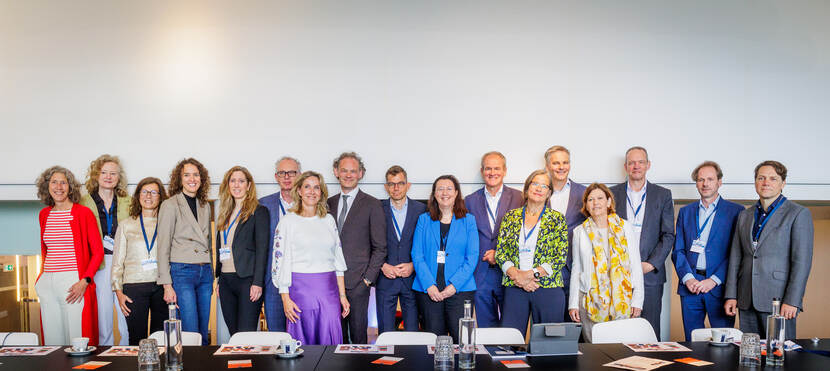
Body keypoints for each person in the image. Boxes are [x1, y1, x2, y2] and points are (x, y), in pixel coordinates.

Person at [724, 161, 813, 339]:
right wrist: (731, 295)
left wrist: (792, 301)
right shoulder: (745, 215)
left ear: (783, 183)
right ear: (755, 182)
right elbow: (735, 258)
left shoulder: (797, 214)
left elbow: (801, 263)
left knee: (779, 357)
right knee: (750, 357)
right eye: (761, 178)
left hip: (779, 301)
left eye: (773, 178)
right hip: (746, 298)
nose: (766, 182)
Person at [273, 171, 350, 345]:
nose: (312, 191)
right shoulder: (287, 222)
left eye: (317, 187)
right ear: (299, 190)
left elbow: (338, 261)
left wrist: (342, 295)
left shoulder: (329, 220)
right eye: (307, 187)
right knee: (303, 342)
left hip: (329, 291)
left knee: (330, 337)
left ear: (321, 192)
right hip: (300, 291)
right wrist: (285, 298)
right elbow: (279, 263)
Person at [671, 161, 743, 341]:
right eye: (701, 180)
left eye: (710, 179)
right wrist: (688, 279)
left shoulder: (736, 212)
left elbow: (736, 254)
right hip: (690, 287)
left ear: (719, 182)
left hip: (719, 288)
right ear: (696, 183)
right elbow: (678, 250)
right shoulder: (686, 212)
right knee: (692, 341)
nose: (705, 184)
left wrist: (713, 280)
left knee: (724, 344)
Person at [35, 166, 104, 345]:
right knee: (52, 340)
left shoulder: (83, 213)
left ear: (70, 187)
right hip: (48, 281)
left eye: (63, 182)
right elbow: (47, 250)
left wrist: (84, 281)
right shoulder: (44, 214)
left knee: (77, 339)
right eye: (54, 182)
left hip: (73, 281)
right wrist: (41, 280)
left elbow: (98, 252)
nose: (59, 187)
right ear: (47, 186)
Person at [610, 146, 674, 338]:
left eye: (641, 162)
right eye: (632, 162)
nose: (636, 166)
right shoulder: (612, 194)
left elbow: (668, 234)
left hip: (650, 275)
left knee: (649, 329)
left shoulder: (662, 194)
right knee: (619, 330)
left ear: (648, 165)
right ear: (625, 166)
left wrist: (650, 264)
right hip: (618, 273)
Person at [569, 183, 644, 342]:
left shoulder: (625, 227)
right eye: (590, 199)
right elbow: (577, 269)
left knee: (621, 349)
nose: (595, 203)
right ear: (586, 206)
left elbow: (636, 265)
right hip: (590, 301)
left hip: (622, 299)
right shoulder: (579, 232)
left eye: (600, 198)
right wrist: (573, 304)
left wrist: (638, 299)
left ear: (609, 202)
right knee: (594, 350)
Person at [496, 170, 568, 333]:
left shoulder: (557, 219)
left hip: (548, 287)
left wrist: (529, 275)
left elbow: (559, 257)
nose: (539, 188)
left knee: (550, 343)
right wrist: (517, 276)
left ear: (549, 193)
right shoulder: (510, 217)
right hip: (514, 286)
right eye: (535, 183)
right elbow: (501, 253)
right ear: (527, 188)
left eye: (544, 186)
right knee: (510, 341)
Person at [326, 152, 386, 344]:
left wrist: (367, 280)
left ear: (360, 173)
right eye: (344, 170)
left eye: (353, 171)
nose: (348, 175)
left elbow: (380, 248)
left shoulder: (372, 204)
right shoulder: (327, 203)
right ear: (336, 172)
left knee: (359, 338)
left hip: (358, 284)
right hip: (329, 283)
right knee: (336, 337)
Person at [412, 175, 478, 342]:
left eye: (449, 188)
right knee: (434, 342)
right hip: (429, 292)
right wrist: (429, 285)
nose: (444, 192)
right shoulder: (424, 220)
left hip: (460, 290)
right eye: (440, 189)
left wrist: (454, 285)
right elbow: (417, 255)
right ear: (434, 194)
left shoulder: (469, 221)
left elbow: (472, 257)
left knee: (462, 341)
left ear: (456, 193)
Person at [156, 158, 213, 345]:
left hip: (205, 273)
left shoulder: (205, 205)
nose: (192, 179)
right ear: (179, 179)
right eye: (186, 175)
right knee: (190, 330)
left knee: (204, 331)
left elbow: (208, 242)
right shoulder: (170, 205)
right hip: (182, 271)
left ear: (201, 178)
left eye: (196, 174)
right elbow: (163, 247)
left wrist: (213, 274)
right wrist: (166, 285)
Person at [464, 151, 523, 327]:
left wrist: (499, 254)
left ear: (505, 171)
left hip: (511, 272)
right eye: (488, 168)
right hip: (480, 272)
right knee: (485, 327)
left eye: (497, 168)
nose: (492, 172)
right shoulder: (469, 201)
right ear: (482, 171)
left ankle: (510, 355)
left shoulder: (520, 198)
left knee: (511, 326)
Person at [111, 177, 170, 345]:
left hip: (161, 287)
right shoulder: (126, 225)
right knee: (137, 338)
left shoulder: (167, 224)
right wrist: (118, 292)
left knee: (160, 339)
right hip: (134, 287)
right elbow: (117, 261)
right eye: (144, 192)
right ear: (138, 196)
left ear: (160, 197)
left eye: (153, 192)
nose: (148, 196)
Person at [80, 154, 131, 345]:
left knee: (126, 315)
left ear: (119, 177)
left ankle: (128, 355)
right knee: (103, 317)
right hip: (98, 265)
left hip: (123, 264)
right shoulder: (84, 202)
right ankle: (105, 359)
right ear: (96, 175)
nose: (108, 177)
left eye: (113, 173)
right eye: (104, 172)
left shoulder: (128, 200)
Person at [215, 166, 270, 335]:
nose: (236, 185)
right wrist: (219, 279)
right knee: (234, 334)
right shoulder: (224, 212)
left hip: (247, 280)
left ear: (249, 185)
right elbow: (221, 247)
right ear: (227, 184)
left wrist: (258, 283)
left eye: (241, 181)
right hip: (226, 281)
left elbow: (263, 249)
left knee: (245, 335)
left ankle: (251, 362)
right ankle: (237, 362)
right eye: (232, 181)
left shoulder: (259, 211)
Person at [377, 165, 426, 333]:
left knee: (413, 332)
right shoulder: (376, 209)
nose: (396, 188)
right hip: (385, 277)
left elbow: (428, 244)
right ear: (386, 187)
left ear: (408, 185)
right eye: (391, 184)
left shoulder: (421, 210)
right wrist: (382, 265)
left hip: (411, 279)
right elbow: (369, 242)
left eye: (400, 183)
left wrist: (414, 265)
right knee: (385, 333)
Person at [543, 146, 587, 323]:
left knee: (574, 325)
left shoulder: (584, 193)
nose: (561, 167)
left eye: (565, 162)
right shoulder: (539, 191)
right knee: (548, 324)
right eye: (556, 163)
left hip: (574, 268)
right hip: (545, 270)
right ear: (547, 166)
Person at [259, 156, 301, 332]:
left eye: (291, 172)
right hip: (273, 280)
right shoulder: (263, 204)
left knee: (300, 332)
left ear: (299, 175)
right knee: (276, 333)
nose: (287, 177)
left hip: (301, 279)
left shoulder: (309, 203)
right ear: (276, 177)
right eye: (282, 173)